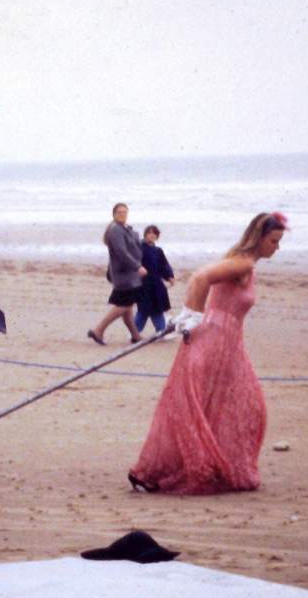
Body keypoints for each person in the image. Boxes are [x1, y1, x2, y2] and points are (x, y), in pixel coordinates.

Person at [127, 211, 289, 494]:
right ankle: (161, 470)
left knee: (234, 406)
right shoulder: (242, 263)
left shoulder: (244, 262)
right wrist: (192, 313)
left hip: (229, 345)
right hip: (213, 341)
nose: (277, 247)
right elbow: (200, 278)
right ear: (260, 238)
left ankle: (217, 466)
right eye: (274, 241)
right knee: (229, 407)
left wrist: (191, 314)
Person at [87, 203, 147, 345]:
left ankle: (135, 335)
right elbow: (122, 252)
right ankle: (98, 330)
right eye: (119, 212)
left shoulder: (125, 229)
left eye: (124, 211)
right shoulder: (116, 230)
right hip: (124, 273)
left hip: (130, 274)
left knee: (127, 306)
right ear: (114, 214)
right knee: (124, 305)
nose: (122, 214)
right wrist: (137, 267)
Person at [135, 225, 175, 336]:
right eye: (149, 232)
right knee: (144, 309)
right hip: (143, 283)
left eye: (154, 233)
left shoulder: (158, 250)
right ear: (145, 234)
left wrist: (170, 276)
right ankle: (135, 331)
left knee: (157, 307)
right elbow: (131, 261)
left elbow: (164, 265)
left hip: (156, 284)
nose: (152, 235)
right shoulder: (138, 247)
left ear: (157, 236)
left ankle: (161, 331)